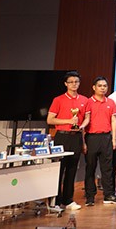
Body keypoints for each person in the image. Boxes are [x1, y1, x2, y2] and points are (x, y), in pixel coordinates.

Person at [47, 70, 89, 210]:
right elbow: (50, 119)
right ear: (66, 84)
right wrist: (68, 121)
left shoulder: (84, 100)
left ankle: (68, 200)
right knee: (59, 169)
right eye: (71, 82)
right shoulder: (58, 99)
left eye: (76, 82)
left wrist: (82, 131)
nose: (74, 84)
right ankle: (55, 201)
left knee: (72, 169)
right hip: (62, 136)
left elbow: (87, 118)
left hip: (76, 137)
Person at [84, 76, 116, 206]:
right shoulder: (88, 102)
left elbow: (113, 120)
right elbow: (85, 121)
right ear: (94, 87)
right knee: (90, 168)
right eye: (100, 86)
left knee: (107, 169)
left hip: (106, 137)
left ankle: (109, 195)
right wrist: (83, 141)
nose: (102, 88)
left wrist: (113, 139)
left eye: (105, 86)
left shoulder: (111, 102)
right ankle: (90, 196)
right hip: (91, 138)